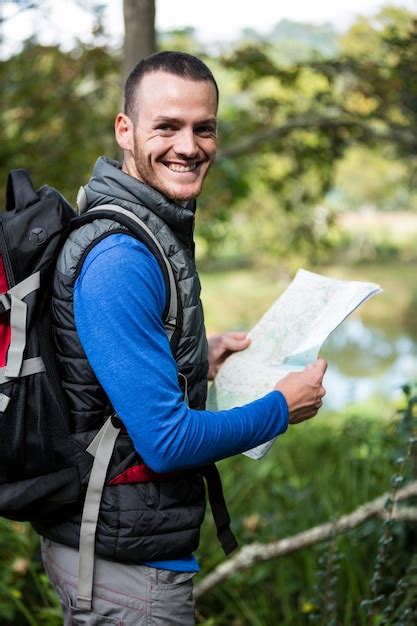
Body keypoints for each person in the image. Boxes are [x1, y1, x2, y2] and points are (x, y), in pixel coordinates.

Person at [39, 51, 327, 625]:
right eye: (166, 126)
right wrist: (280, 407)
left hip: (122, 552)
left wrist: (198, 357)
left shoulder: (142, 225)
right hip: (127, 577)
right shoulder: (121, 256)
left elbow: (103, 378)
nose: (188, 146)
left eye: (204, 128)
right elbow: (166, 442)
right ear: (125, 130)